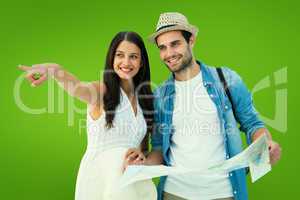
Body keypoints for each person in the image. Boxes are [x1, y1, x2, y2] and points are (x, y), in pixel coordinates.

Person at [135, 12, 282, 200]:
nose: (169, 53)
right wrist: (141, 166)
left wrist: (266, 144)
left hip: (223, 193)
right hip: (174, 192)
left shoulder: (226, 80)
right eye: (162, 47)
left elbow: (253, 123)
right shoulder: (161, 95)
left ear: (191, 41)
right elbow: (158, 148)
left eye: (175, 44)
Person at [19, 31, 157, 200]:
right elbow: (77, 87)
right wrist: (53, 70)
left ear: (142, 62)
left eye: (133, 56)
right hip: (99, 178)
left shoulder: (146, 101)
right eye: (120, 55)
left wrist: (140, 157)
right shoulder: (101, 91)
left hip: (132, 181)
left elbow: (143, 150)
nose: (126, 62)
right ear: (112, 59)